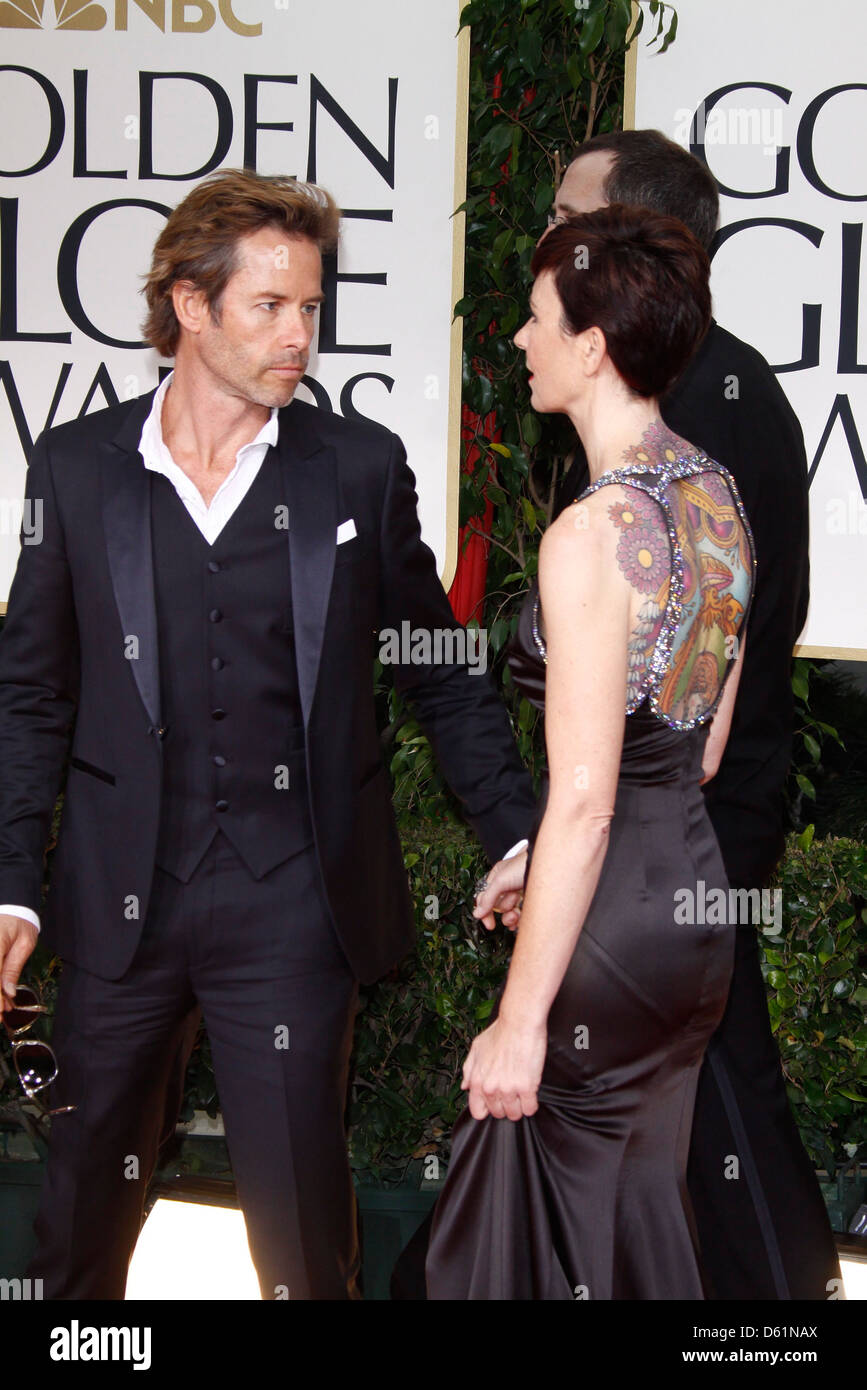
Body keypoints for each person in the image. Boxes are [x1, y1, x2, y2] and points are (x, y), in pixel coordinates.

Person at [0, 168, 537, 1300]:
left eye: (312, 309)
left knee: (299, 1236)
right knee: (79, 1219)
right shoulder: (77, 471)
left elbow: (437, 668)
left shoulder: (354, 466)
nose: (300, 334)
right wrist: (13, 886)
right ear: (191, 308)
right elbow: (31, 695)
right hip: (119, 901)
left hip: (291, 905)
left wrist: (515, 833)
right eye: (271, 306)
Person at [425, 203, 756, 1299]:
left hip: (608, 935)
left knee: (538, 1228)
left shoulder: (592, 533)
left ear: (591, 345)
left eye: (533, 321)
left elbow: (583, 802)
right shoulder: (716, 498)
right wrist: (546, 864)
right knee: (633, 1217)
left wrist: (518, 1022)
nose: (518, 342)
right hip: (688, 916)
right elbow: (692, 751)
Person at [544, 130, 839, 1301]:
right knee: (689, 1086)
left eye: (569, 214)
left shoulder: (707, 406)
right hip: (683, 807)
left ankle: (784, 1297)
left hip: (684, 816)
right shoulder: (701, 388)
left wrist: (609, 819)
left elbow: (690, 675)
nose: (548, 235)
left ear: (631, 236)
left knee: (716, 1078)